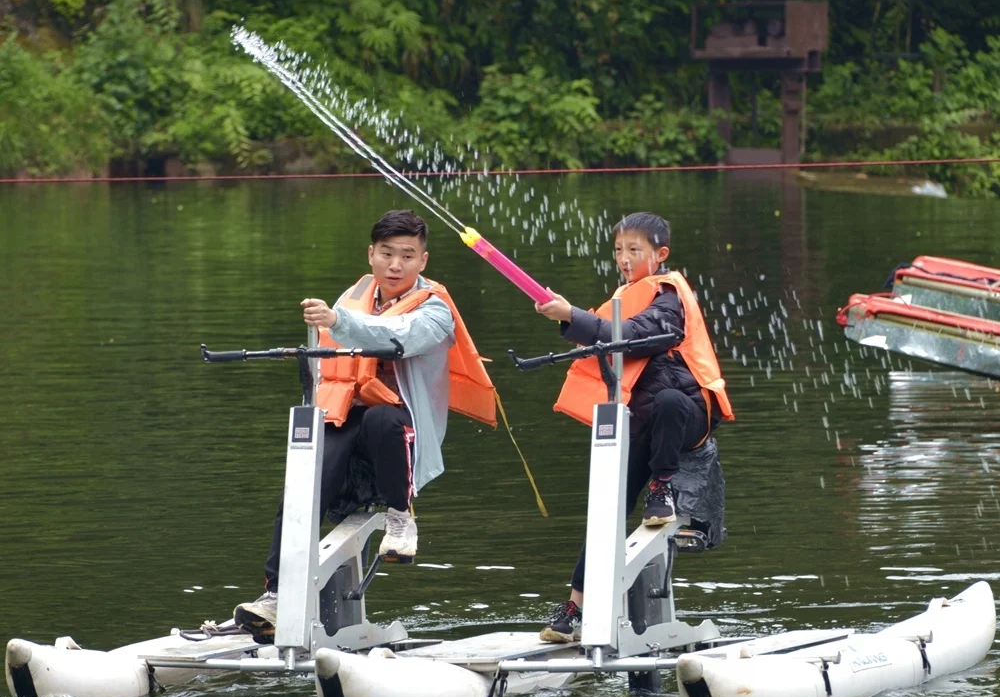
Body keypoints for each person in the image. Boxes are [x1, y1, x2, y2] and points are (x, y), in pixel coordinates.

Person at [234, 209, 497, 640]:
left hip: (399, 433)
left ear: (423, 261)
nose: (396, 265)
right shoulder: (351, 297)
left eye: (407, 256)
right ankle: (277, 595)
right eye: (387, 254)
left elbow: (397, 337)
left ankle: (401, 517)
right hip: (348, 421)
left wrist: (338, 322)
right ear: (370, 254)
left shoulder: (436, 310)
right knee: (303, 480)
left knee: (381, 418)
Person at [533, 212, 734, 643]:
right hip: (640, 421)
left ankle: (661, 488)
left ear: (660, 255)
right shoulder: (622, 297)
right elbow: (607, 333)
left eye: (634, 250)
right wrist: (566, 317)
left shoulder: (669, 296)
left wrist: (573, 315)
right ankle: (576, 607)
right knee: (606, 509)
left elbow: (638, 335)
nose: (624, 259)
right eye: (618, 250)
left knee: (668, 400)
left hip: (688, 415)